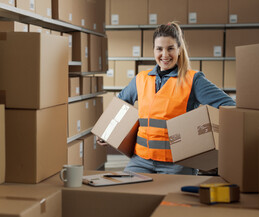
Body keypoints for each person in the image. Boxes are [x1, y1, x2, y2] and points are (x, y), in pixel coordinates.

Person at [99, 22, 235, 175]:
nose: (164, 55)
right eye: (159, 49)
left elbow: (228, 104)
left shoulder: (192, 80)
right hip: (141, 160)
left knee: (172, 199)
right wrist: (107, 132)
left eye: (170, 48)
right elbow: (120, 105)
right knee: (127, 194)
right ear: (154, 50)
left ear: (179, 50)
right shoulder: (141, 79)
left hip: (177, 163)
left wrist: (203, 136)